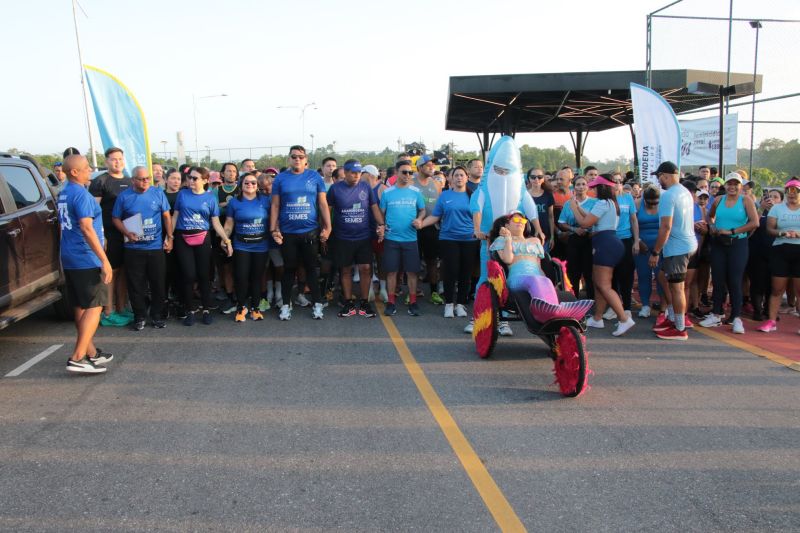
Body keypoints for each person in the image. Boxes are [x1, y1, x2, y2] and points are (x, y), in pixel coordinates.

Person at [58, 155, 114, 374]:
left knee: (81, 306)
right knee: (94, 306)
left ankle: (91, 353)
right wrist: (104, 260)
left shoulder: (64, 192)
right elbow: (86, 227)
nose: (90, 170)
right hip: (85, 257)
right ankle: (78, 356)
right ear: (74, 172)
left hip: (70, 256)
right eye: (85, 168)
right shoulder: (81, 194)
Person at [488, 212, 593, 322]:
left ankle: (554, 311)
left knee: (545, 280)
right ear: (506, 225)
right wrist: (508, 239)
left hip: (537, 278)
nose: (520, 223)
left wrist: (550, 285)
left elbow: (539, 266)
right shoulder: (501, 240)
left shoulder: (535, 241)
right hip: (516, 279)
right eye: (516, 220)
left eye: (523, 221)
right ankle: (549, 311)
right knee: (534, 280)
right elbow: (508, 259)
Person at [270, 145, 332, 320]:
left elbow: (322, 204)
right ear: (289, 159)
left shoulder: (314, 177)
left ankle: (318, 304)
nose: (297, 159)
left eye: (300, 156)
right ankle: (285, 305)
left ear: (306, 160)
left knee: (311, 269)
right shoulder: (281, 179)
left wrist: (328, 227)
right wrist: (274, 228)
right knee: (289, 269)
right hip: (288, 233)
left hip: (310, 231)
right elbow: (275, 205)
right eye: (294, 156)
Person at [569, 174, 636, 336]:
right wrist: (578, 207)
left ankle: (624, 319)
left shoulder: (602, 203)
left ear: (601, 187)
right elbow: (592, 218)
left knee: (604, 285)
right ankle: (598, 318)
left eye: (595, 187)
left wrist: (573, 208)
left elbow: (585, 224)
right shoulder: (611, 203)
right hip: (610, 242)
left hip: (605, 243)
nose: (593, 190)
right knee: (599, 282)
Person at [111, 166, 173, 331]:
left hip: (155, 247)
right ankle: (139, 316)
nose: (145, 181)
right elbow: (115, 218)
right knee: (136, 285)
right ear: (133, 180)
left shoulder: (158, 193)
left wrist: (170, 237)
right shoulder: (124, 197)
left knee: (158, 283)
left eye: (147, 178)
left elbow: (166, 216)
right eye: (141, 179)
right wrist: (126, 232)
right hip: (133, 248)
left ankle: (157, 315)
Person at [699, 172, 759, 333]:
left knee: (734, 280)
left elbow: (755, 222)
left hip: (738, 243)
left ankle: (736, 317)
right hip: (719, 244)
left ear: (741, 186)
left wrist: (733, 231)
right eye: (729, 184)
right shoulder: (719, 200)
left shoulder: (746, 200)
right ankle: (716, 314)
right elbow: (709, 216)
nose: (732, 187)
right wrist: (712, 228)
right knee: (718, 279)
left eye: (736, 184)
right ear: (725, 185)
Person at [172, 166, 232, 326]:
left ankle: (206, 310)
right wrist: (169, 237)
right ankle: (190, 310)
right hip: (183, 237)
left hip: (203, 237)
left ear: (205, 181)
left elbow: (216, 222)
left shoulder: (210, 198)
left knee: (204, 276)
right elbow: (175, 216)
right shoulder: (182, 194)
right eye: (190, 177)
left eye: (195, 178)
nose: (191, 180)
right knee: (188, 275)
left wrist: (226, 240)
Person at [415, 166, 478, 318]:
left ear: (467, 177)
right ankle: (449, 304)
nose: (459, 178)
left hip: (469, 240)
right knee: (450, 271)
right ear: (450, 178)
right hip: (448, 239)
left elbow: (479, 217)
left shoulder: (474, 196)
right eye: (456, 175)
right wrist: (421, 223)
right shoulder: (444, 196)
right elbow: (436, 216)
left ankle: (461, 304)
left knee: (465, 273)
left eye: (462, 175)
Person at [648, 162, 699, 340]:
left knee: (677, 288)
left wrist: (655, 252)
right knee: (663, 277)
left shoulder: (668, 195)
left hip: (678, 248)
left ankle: (679, 327)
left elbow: (666, 226)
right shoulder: (685, 191)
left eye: (659, 176)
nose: (658, 180)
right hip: (688, 243)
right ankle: (672, 318)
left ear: (665, 175)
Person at [327, 160, 384, 317]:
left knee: (366, 268)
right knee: (345, 270)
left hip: (363, 236)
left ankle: (365, 303)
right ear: (345, 172)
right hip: (342, 237)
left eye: (359, 172)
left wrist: (382, 224)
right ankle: (348, 303)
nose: (356, 175)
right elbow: (327, 211)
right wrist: (325, 229)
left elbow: (374, 207)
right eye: (353, 172)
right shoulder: (335, 189)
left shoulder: (365, 187)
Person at [89, 146, 132, 326]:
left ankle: (122, 308)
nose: (117, 162)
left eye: (120, 159)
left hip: (129, 233)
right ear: (106, 161)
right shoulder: (100, 182)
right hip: (109, 234)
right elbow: (92, 212)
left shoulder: (130, 181)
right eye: (113, 159)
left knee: (123, 272)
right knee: (110, 273)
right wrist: (101, 235)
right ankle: (108, 311)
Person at [380, 160, 426, 316]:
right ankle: (391, 302)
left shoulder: (416, 192)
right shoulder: (387, 193)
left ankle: (413, 302)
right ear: (396, 173)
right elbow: (381, 213)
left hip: (410, 239)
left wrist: (420, 219)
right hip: (391, 238)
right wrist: (381, 225)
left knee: (412, 272)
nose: (407, 175)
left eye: (410, 172)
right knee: (391, 272)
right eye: (404, 172)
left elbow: (422, 210)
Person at [223, 172, 270, 322]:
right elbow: (229, 223)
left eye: (253, 183)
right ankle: (241, 307)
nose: (250, 185)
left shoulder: (265, 201)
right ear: (241, 185)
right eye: (247, 183)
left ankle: (255, 308)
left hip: (261, 245)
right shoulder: (234, 203)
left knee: (256, 278)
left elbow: (273, 220)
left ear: (257, 186)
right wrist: (225, 238)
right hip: (241, 245)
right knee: (241, 277)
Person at [757, 180, 800, 333]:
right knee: (777, 289)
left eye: (796, 190)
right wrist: (783, 233)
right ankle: (771, 321)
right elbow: (770, 229)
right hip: (780, 250)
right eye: (789, 190)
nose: (792, 194)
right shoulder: (777, 209)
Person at [606, 171, 638, 321]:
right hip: (610, 240)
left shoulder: (628, 197)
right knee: (611, 276)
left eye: (619, 180)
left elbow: (633, 219)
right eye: (614, 181)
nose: (617, 183)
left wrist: (637, 240)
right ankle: (614, 307)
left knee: (626, 275)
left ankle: (627, 308)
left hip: (626, 240)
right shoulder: (605, 199)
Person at [413, 154, 444, 305]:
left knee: (432, 261)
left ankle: (433, 292)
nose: (432, 167)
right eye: (428, 164)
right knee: (414, 261)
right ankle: (413, 291)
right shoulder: (411, 183)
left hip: (432, 228)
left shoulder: (436, 184)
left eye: (433, 164)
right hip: (413, 228)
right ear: (419, 167)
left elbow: (439, 207)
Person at [558, 175, 595, 299]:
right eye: (578, 184)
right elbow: (561, 222)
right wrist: (574, 229)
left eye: (583, 184)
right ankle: (574, 300)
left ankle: (591, 300)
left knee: (589, 271)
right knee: (573, 271)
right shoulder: (569, 203)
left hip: (590, 239)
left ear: (587, 186)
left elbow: (597, 221)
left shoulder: (594, 202)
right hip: (574, 239)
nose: (581, 187)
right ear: (574, 187)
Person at [750, 188, 782, 323]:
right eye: (769, 197)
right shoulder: (757, 211)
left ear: (781, 201)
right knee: (757, 283)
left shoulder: (783, 213)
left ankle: (770, 311)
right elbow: (751, 225)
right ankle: (757, 310)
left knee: (773, 285)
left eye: (776, 197)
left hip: (776, 254)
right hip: (757, 253)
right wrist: (761, 209)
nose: (771, 200)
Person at [633, 185, 662, 318]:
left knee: (661, 277)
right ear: (645, 199)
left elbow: (668, 226)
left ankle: (664, 305)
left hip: (660, 245)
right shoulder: (638, 204)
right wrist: (638, 241)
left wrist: (659, 247)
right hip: (642, 245)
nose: (652, 205)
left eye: (655, 202)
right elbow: (631, 224)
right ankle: (645, 305)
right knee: (643, 275)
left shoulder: (663, 205)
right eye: (650, 203)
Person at [215, 162, 240, 314]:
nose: (231, 173)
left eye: (234, 171)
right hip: (221, 232)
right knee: (226, 267)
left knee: (241, 266)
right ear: (222, 174)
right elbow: (212, 208)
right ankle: (231, 297)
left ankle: (244, 295)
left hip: (242, 232)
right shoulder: (216, 190)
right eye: (228, 171)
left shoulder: (242, 188)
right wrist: (224, 205)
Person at [527, 168, 555, 251]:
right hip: (528, 236)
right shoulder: (524, 195)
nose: (536, 179)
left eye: (539, 177)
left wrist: (552, 236)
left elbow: (550, 217)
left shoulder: (548, 195)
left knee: (544, 262)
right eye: (533, 177)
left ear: (543, 179)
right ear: (529, 178)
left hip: (545, 236)